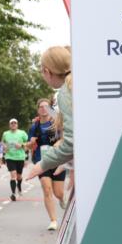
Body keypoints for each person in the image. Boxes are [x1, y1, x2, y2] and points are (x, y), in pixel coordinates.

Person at [25, 47, 75, 182]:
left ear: (47, 71)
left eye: (42, 71)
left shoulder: (65, 93)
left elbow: (71, 142)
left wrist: (42, 165)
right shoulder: (75, 85)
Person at [28, 99, 66, 231]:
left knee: (58, 192)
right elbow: (28, 145)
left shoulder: (56, 123)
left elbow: (65, 137)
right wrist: (30, 143)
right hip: (42, 161)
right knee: (47, 189)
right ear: (38, 110)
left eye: (46, 106)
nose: (44, 109)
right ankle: (53, 220)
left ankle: (61, 199)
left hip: (57, 160)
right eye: (41, 107)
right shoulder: (34, 127)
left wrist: (59, 142)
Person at [2, 118, 29, 201]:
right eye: (12, 123)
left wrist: (21, 145)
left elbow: (28, 143)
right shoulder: (5, 133)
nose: (13, 125)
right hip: (10, 157)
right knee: (13, 175)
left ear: (17, 125)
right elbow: (3, 142)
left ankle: (19, 186)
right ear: (9, 125)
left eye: (15, 123)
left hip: (20, 157)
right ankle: (13, 193)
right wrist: (4, 147)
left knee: (19, 176)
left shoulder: (22, 133)